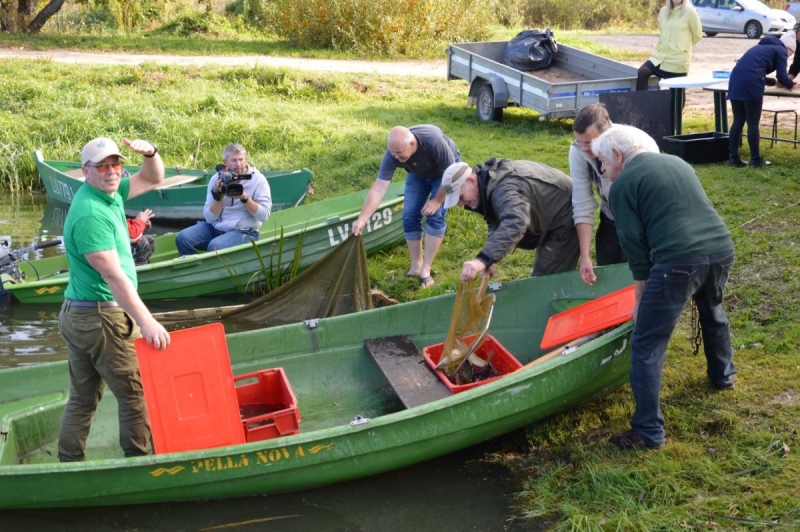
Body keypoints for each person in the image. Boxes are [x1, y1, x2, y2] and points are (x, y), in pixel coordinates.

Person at [592, 126, 736, 450]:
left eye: (601, 161)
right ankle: (723, 375)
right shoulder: (678, 163)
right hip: (721, 249)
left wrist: (639, 301)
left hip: (679, 262)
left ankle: (647, 432)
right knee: (712, 310)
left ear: (617, 155)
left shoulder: (623, 183)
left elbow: (635, 250)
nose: (601, 169)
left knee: (647, 341)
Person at [58, 137, 172, 462]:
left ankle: (69, 464)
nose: (111, 172)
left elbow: (152, 178)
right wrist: (147, 320)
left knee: (82, 397)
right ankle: (138, 463)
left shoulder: (109, 193)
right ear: (85, 171)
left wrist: (150, 152)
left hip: (80, 314)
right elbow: (114, 276)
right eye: (103, 166)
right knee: (134, 395)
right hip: (101, 317)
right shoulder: (91, 214)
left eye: (116, 165)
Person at [352, 125, 460, 288]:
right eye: (393, 152)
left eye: (399, 153)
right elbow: (379, 187)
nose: (395, 157)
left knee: (435, 215)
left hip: (445, 173)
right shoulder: (393, 153)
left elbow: (452, 174)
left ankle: (426, 268)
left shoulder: (433, 142)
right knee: (409, 215)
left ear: (412, 144)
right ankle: (416, 265)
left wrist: (437, 200)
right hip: (419, 174)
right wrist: (362, 219)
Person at [440, 158, 580, 283]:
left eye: (460, 197)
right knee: (542, 277)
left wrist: (482, 259)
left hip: (566, 212)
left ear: (471, 180)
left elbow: (516, 222)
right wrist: (490, 258)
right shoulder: (486, 185)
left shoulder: (503, 189)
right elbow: (496, 220)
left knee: (545, 283)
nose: (460, 204)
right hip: (548, 210)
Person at [570, 106, 660, 286]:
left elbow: (653, 200)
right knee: (607, 274)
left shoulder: (639, 146)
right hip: (611, 214)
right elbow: (582, 205)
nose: (585, 148)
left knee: (645, 274)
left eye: (590, 142)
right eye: (580, 142)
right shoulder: (578, 151)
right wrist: (585, 257)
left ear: (607, 133)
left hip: (642, 218)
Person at [175, 143, 272, 255]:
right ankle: (192, 269)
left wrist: (244, 198)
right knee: (182, 238)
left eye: (241, 159)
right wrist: (218, 196)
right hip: (216, 228)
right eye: (234, 160)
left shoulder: (258, 180)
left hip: (245, 231)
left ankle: (216, 270)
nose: (238, 164)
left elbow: (264, 216)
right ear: (225, 162)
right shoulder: (217, 179)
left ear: (246, 159)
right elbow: (210, 218)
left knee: (215, 246)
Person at [728, 31, 796, 168]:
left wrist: (771, 82)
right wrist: (792, 84)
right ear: (789, 49)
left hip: (735, 80)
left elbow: (753, 69)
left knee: (738, 121)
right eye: (790, 54)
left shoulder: (761, 47)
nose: (788, 57)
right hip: (751, 85)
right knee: (752, 123)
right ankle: (755, 160)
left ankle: (733, 158)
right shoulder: (781, 50)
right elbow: (783, 77)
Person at [636, 0, 702, 91]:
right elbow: (663, 32)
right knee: (642, 71)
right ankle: (642, 104)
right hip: (660, 56)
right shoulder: (663, 11)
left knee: (677, 90)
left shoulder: (690, 12)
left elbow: (697, 35)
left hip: (678, 59)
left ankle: (678, 105)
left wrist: (683, 47)